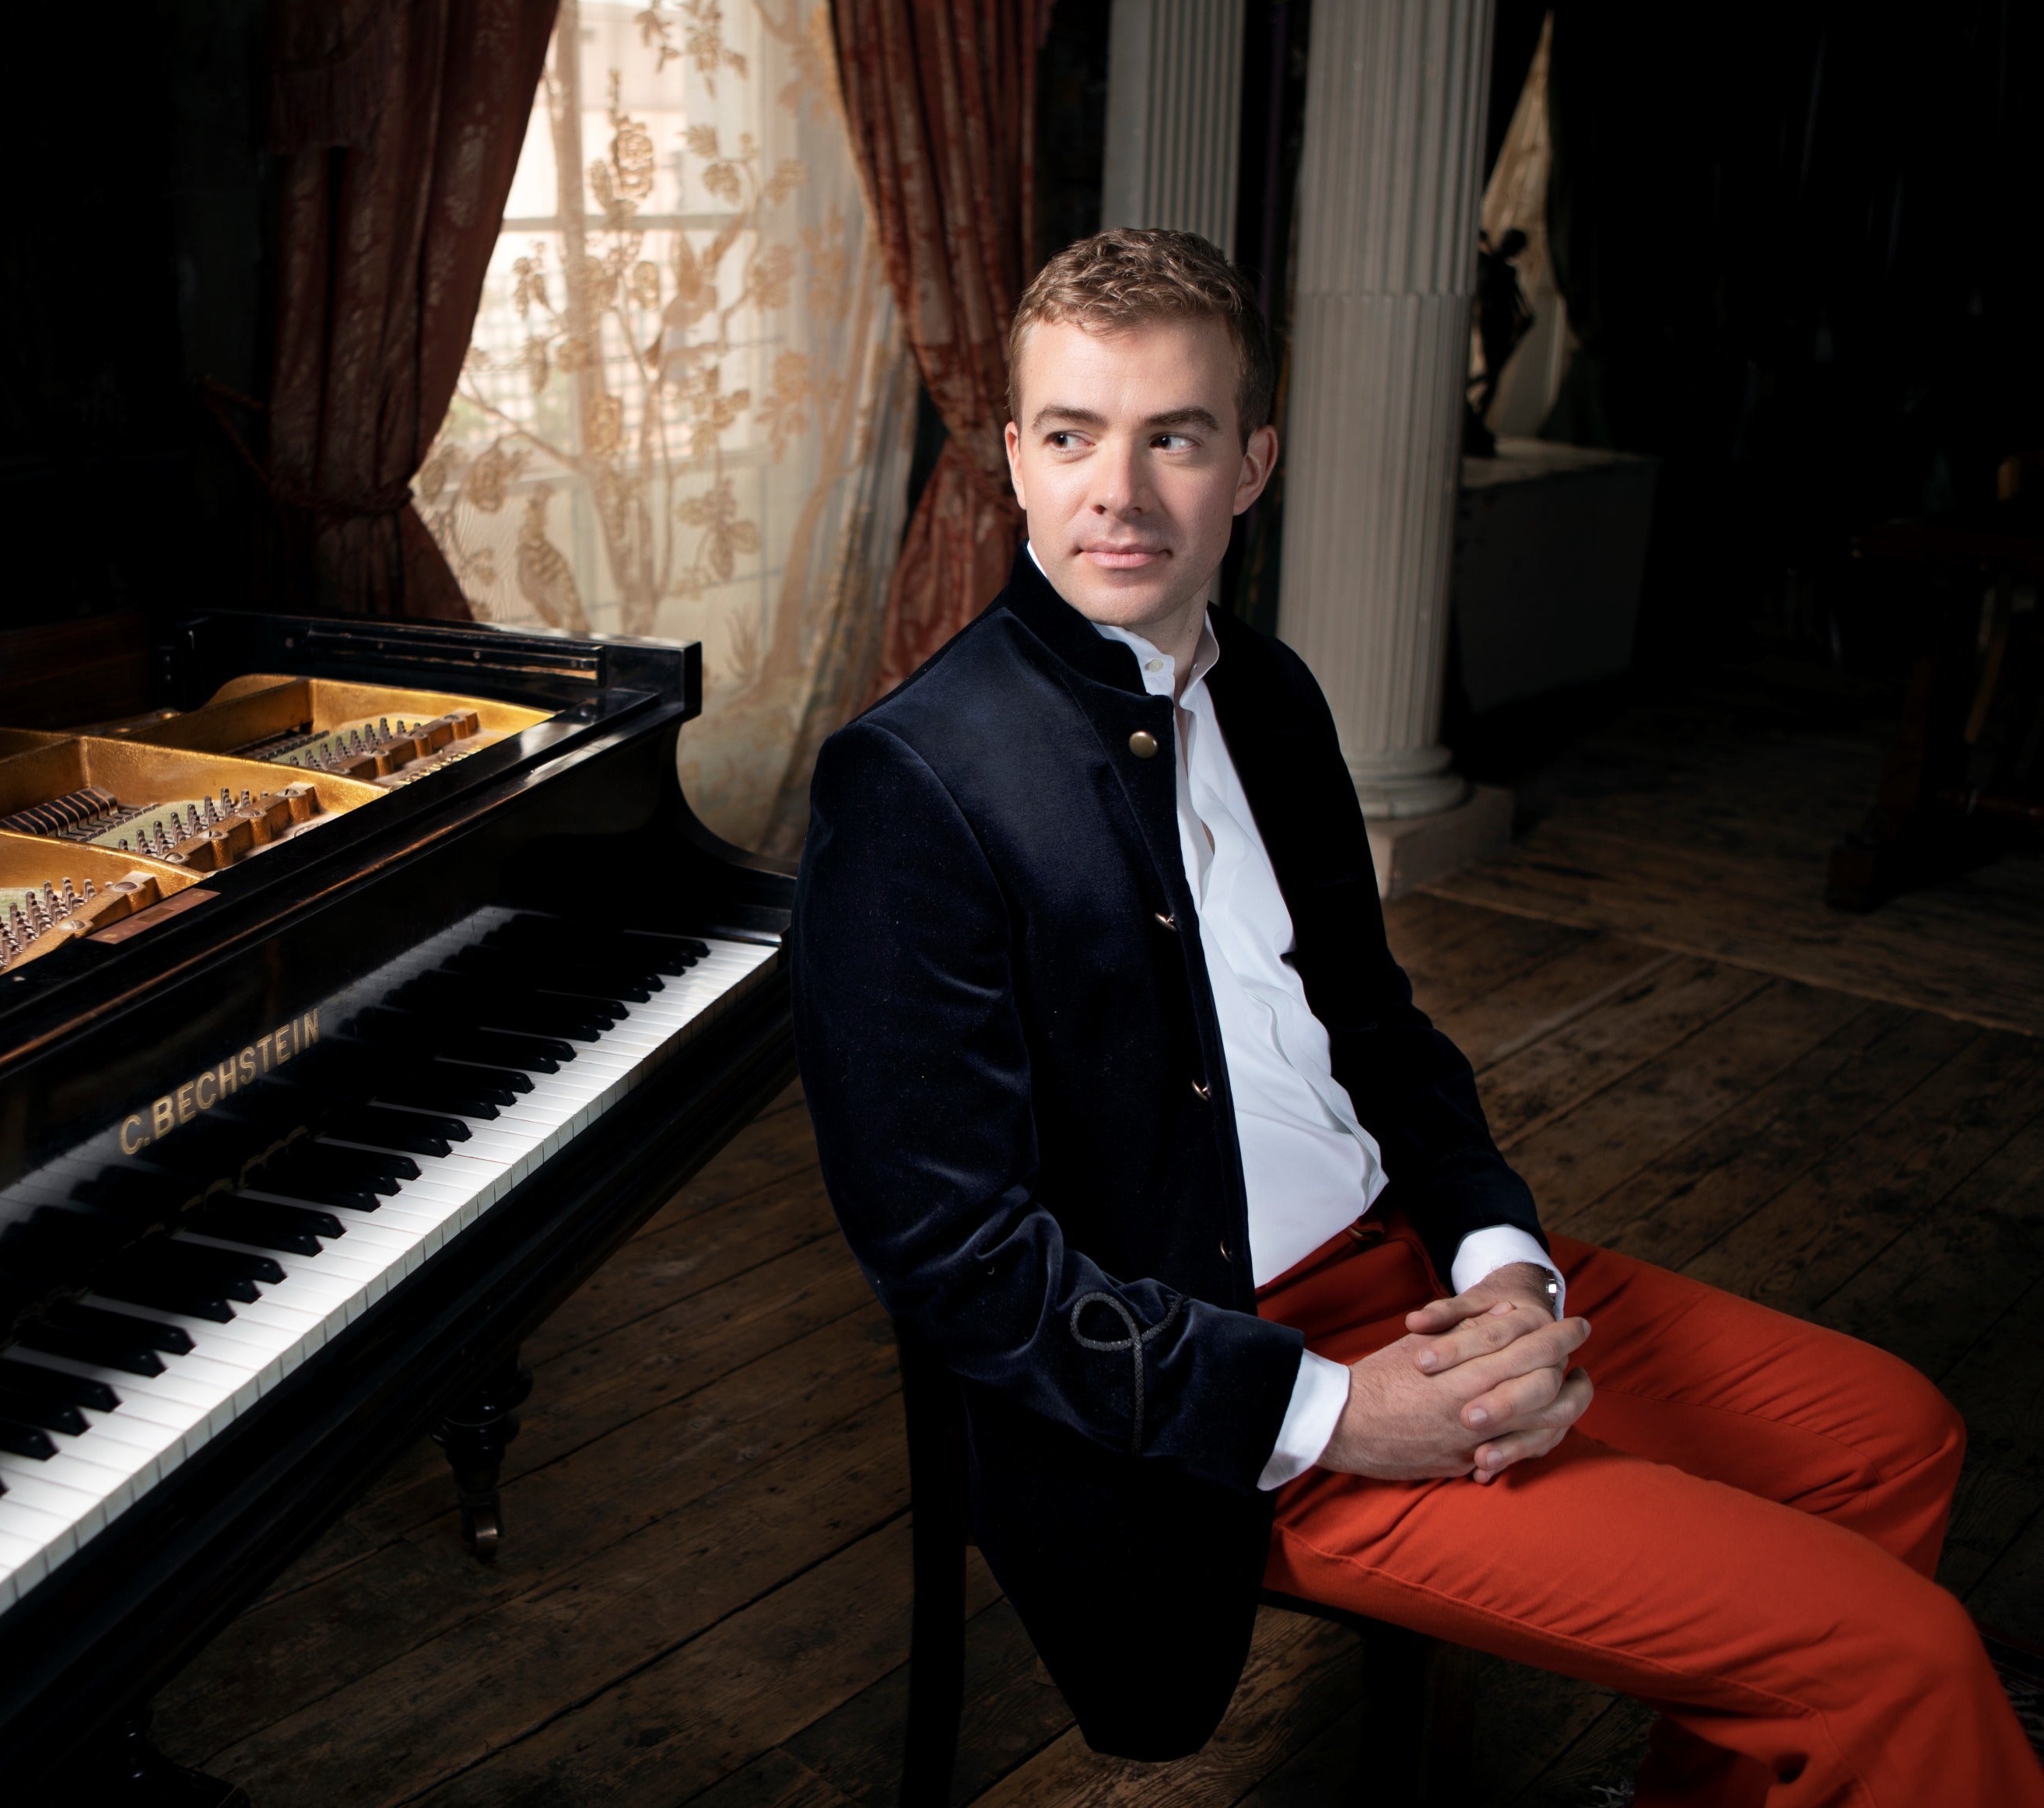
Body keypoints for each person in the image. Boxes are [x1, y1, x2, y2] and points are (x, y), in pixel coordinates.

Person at [788, 228, 2043, 1806]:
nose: (1119, 489)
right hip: (1214, 1372)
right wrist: (1326, 1410)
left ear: (1251, 462)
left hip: (1418, 1277)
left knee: (1895, 1437)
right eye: (1070, 434)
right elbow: (955, 1259)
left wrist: (1502, 1265)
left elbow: (1378, 1036)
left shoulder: (1276, 697)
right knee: (1902, 1659)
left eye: (1172, 434)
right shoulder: (912, 780)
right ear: (1016, 467)